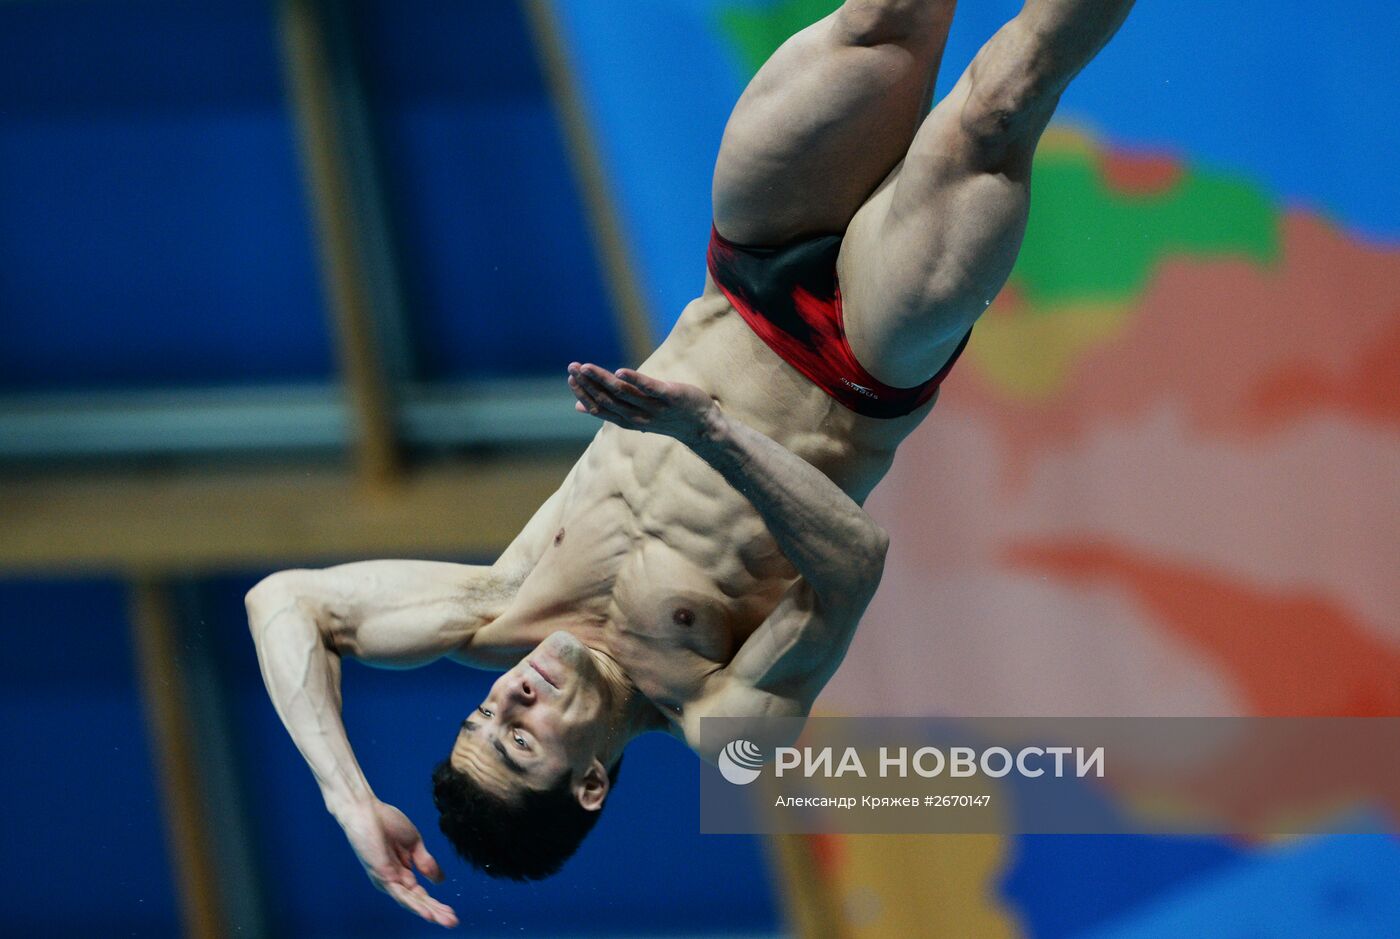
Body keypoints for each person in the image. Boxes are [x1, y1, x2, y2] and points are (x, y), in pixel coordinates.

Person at [246, 0, 1134, 926]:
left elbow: (283, 602)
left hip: (746, 269)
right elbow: (853, 565)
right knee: (999, 101)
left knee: (886, 21)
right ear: (590, 782)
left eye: (481, 717)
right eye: (518, 739)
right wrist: (709, 432)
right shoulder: (723, 722)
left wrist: (346, 796)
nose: (505, 698)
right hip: (863, 357)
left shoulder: (495, 608)